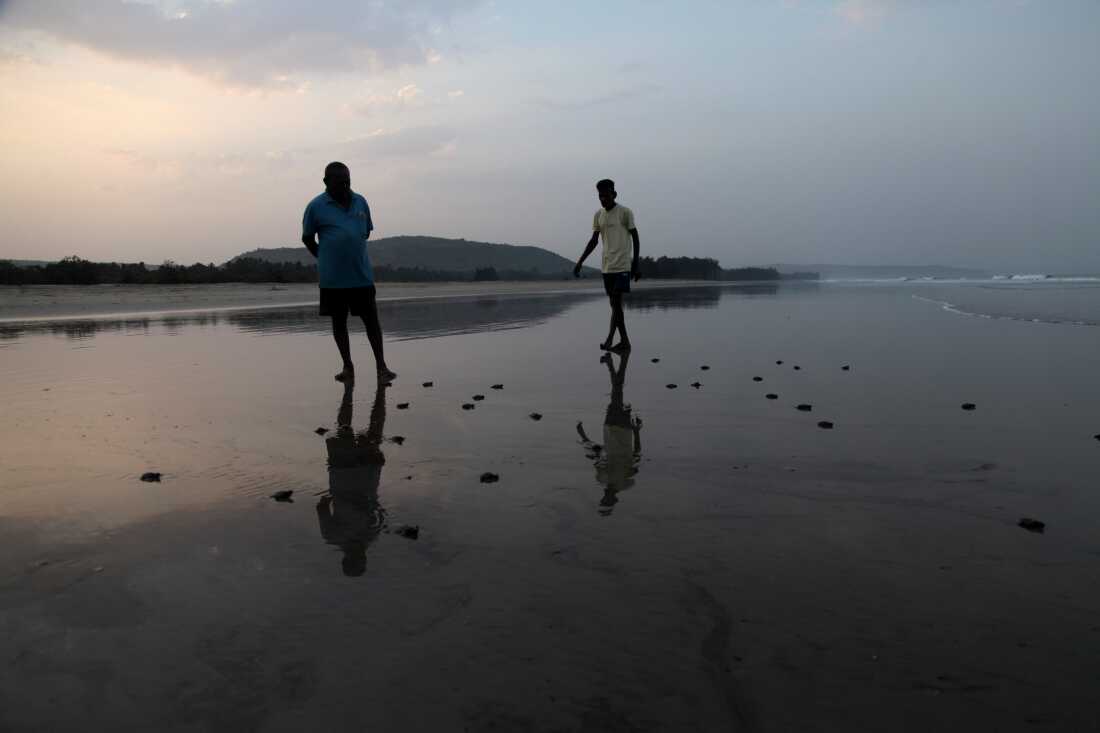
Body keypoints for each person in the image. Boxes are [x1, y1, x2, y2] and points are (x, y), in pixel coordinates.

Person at [302, 161, 396, 383]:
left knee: (372, 322)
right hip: (333, 280)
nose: (345, 186)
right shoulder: (315, 206)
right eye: (340, 182)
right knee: (339, 323)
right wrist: (323, 257)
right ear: (326, 182)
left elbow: (365, 233)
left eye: (348, 181)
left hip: (360, 276)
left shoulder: (360, 201)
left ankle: (382, 368)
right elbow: (307, 238)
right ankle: (348, 368)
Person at [316, 380, 387, 577]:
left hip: (363, 473)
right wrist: (335, 496)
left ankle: (362, 392)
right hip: (343, 473)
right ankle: (355, 391)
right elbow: (321, 507)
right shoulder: (334, 536)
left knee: (361, 431)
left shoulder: (371, 535)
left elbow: (376, 509)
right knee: (345, 429)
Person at [574, 178, 641, 352]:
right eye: (600, 196)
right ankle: (617, 340)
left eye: (606, 195)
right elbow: (594, 241)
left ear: (614, 194)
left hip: (623, 265)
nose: (603, 199)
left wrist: (636, 263)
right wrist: (580, 261)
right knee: (614, 304)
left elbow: (635, 236)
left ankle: (619, 340)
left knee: (616, 302)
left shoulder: (625, 212)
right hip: (607, 267)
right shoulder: (598, 215)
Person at [576, 351, 643, 515]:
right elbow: (637, 454)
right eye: (607, 501)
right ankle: (612, 362)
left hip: (609, 429)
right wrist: (637, 432)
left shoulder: (601, 478)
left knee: (616, 392)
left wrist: (583, 436)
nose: (605, 497)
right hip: (625, 430)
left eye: (603, 500)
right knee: (617, 392)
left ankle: (612, 362)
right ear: (614, 501)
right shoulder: (627, 482)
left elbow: (597, 453)